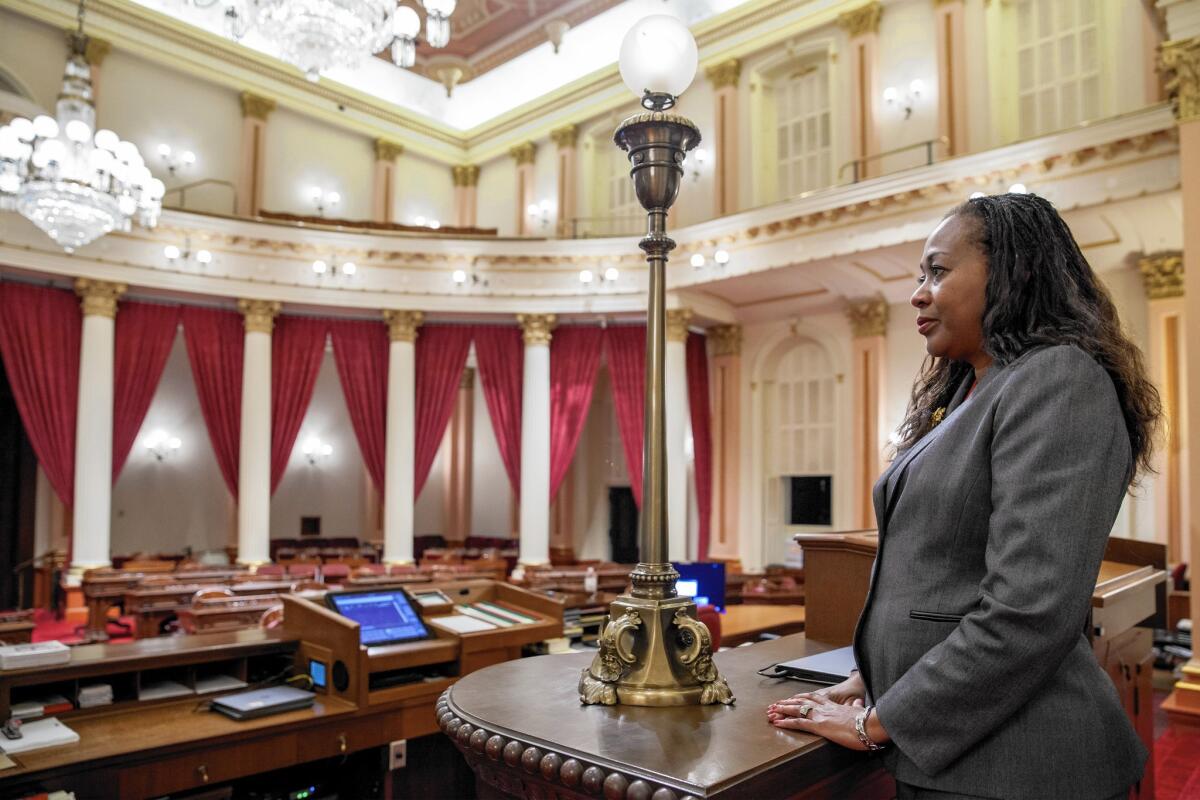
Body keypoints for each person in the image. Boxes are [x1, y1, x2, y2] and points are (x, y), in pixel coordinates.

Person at [765, 193, 1161, 800]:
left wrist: (879, 722)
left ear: (1010, 271)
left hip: (1020, 767)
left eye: (938, 271)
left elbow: (1028, 610)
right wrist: (872, 678)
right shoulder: (972, 391)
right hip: (957, 751)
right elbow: (941, 578)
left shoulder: (1057, 378)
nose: (918, 293)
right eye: (920, 275)